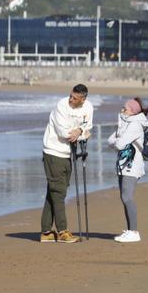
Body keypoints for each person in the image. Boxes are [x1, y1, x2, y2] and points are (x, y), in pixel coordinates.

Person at [40, 84, 94, 243]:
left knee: (55, 190)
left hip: (68, 154)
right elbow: (65, 134)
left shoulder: (88, 107)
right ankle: (63, 231)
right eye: (70, 95)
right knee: (58, 191)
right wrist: (80, 132)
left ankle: (46, 232)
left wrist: (79, 131)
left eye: (75, 98)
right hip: (53, 151)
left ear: (83, 99)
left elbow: (88, 126)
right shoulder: (61, 106)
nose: (71, 99)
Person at [107, 98, 148, 243]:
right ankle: (130, 230)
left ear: (132, 111)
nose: (122, 110)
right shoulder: (125, 123)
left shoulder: (135, 125)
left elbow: (119, 144)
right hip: (124, 165)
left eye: (124, 108)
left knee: (127, 198)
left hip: (132, 166)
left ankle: (134, 231)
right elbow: (110, 140)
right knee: (124, 198)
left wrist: (117, 141)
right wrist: (117, 140)